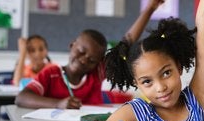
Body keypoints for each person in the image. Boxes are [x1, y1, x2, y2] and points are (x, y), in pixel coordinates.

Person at [80, 0, 204, 121]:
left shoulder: (198, 100)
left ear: (179, 67)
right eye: (147, 81)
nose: (160, 87)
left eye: (166, 73)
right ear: (137, 84)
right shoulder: (137, 113)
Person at [14, 0, 164, 109]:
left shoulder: (96, 73)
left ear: (98, 63)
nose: (84, 60)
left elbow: (127, 42)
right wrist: (57, 104)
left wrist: (150, 8)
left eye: (92, 59)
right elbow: (21, 98)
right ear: (72, 45)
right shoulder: (51, 74)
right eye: (81, 51)